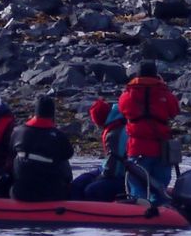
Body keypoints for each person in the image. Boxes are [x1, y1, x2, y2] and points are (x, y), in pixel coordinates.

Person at [117, 60, 180, 202]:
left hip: (137, 147)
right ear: (156, 74)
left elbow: (122, 110)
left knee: (137, 186)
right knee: (160, 187)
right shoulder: (164, 92)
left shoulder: (127, 94)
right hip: (161, 148)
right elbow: (174, 111)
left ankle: (140, 213)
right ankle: (162, 215)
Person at [9, 95, 74, 202]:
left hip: (20, 192)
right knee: (62, 161)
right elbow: (68, 154)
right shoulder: (58, 136)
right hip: (51, 193)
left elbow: (10, 150)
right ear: (52, 114)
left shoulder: (18, 132)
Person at [70, 97, 128, 202]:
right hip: (106, 169)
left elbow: (114, 168)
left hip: (120, 175)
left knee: (91, 190)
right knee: (77, 183)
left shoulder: (115, 133)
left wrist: (99, 178)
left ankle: (90, 213)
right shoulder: (114, 124)